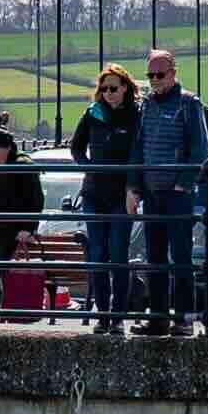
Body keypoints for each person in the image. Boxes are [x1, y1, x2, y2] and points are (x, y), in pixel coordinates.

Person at [134, 50, 208, 335]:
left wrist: (183, 182)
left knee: (181, 256)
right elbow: (139, 146)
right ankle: (157, 317)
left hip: (178, 193)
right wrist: (135, 187)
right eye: (151, 75)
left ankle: (183, 318)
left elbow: (200, 148)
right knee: (154, 256)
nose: (155, 80)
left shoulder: (189, 103)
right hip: (152, 192)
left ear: (173, 73)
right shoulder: (146, 105)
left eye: (160, 74)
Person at [65, 68, 139, 333]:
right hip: (94, 193)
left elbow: (137, 153)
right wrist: (88, 166)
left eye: (114, 88)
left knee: (118, 254)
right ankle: (103, 314)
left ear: (125, 88)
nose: (109, 94)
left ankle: (118, 316)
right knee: (98, 255)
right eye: (104, 89)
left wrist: (133, 188)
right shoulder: (92, 113)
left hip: (121, 194)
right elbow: (75, 147)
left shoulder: (135, 115)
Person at [0, 128, 46, 314]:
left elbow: (36, 199)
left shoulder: (23, 165)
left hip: (11, 228)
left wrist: (28, 228)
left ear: (8, 147)